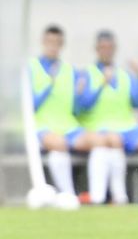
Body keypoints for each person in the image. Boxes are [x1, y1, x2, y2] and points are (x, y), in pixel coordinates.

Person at [78, 30, 138, 205]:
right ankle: (118, 197)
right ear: (96, 49)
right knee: (113, 139)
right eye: (103, 47)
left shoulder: (124, 75)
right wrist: (100, 85)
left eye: (110, 47)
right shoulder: (86, 74)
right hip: (100, 129)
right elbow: (82, 105)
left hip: (128, 127)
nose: (106, 51)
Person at [29, 25, 103, 204]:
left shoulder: (71, 71)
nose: (52, 46)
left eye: (57, 43)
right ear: (43, 42)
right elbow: (29, 105)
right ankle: (69, 196)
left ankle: (98, 197)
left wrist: (80, 94)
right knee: (58, 145)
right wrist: (49, 84)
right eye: (49, 42)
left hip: (68, 126)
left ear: (62, 45)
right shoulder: (30, 68)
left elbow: (78, 109)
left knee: (101, 142)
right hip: (41, 126)